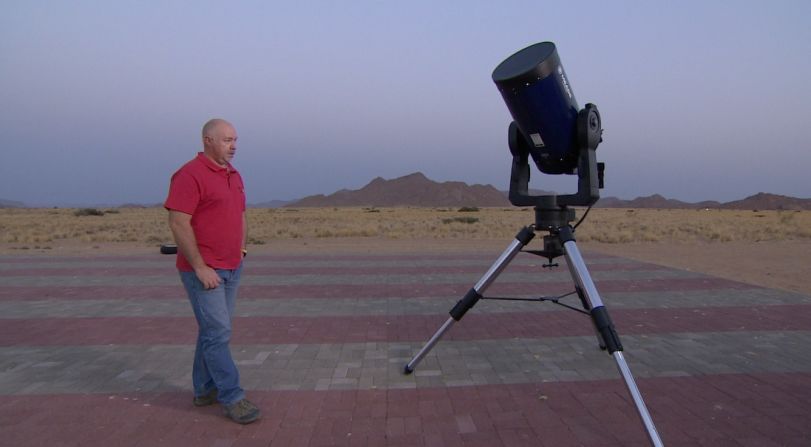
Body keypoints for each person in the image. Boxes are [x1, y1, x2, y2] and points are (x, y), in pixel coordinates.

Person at [164, 118, 260, 424]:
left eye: (235, 140)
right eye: (227, 140)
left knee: (213, 331)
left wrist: (241, 251)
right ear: (208, 140)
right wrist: (200, 267)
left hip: (233, 266)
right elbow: (179, 222)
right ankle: (232, 396)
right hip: (204, 271)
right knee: (218, 332)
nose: (234, 146)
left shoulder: (234, 174)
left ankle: (204, 389)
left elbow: (240, 215)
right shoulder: (189, 175)